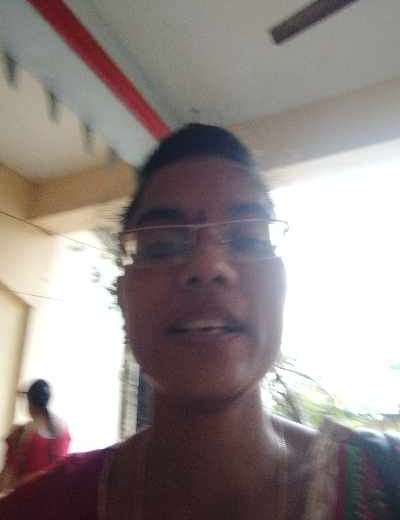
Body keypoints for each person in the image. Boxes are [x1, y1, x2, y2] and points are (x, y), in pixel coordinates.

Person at [0, 124, 399, 518]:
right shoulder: (36, 510)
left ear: (281, 285)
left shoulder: (384, 481)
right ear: (123, 296)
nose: (208, 265)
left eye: (248, 239)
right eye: (161, 246)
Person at [0, 379, 70, 494]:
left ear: (29, 403)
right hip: (53, 499)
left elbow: (6, 480)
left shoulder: (23, 433)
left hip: (27, 498)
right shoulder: (64, 431)